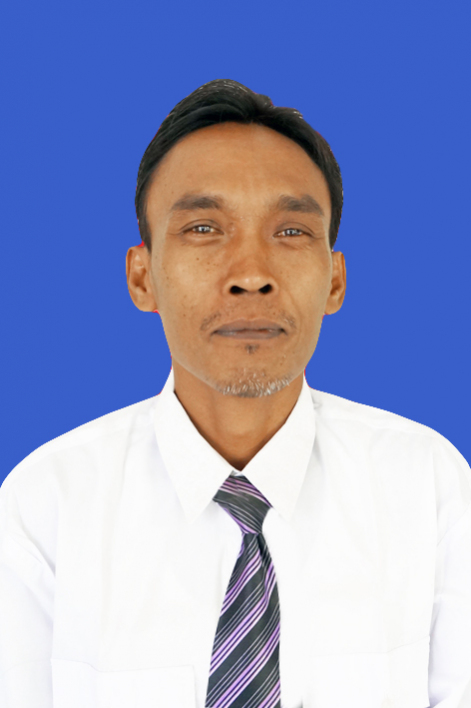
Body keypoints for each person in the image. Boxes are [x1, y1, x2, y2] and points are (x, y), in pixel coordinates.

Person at [0, 79, 470, 708]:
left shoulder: (429, 487)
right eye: (203, 228)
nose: (251, 275)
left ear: (335, 281)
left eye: (291, 232)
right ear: (142, 277)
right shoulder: (45, 506)